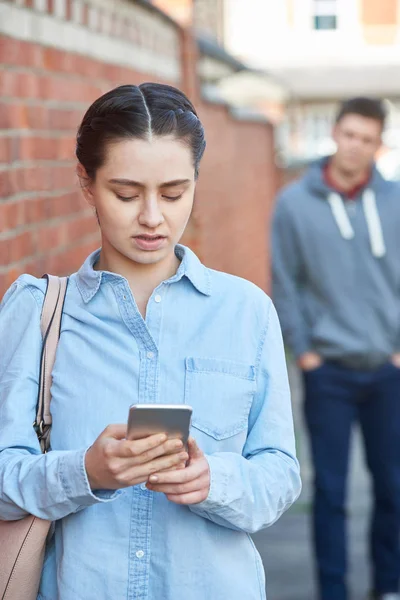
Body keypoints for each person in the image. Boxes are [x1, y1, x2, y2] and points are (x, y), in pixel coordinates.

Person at [0, 83, 301, 600]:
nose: (152, 217)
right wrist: (84, 472)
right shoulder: (37, 313)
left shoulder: (246, 311)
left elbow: (279, 474)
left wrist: (214, 483)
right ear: (87, 184)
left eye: (173, 192)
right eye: (126, 193)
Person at [272, 97, 400, 600]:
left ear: (377, 145)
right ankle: (333, 590)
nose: (355, 146)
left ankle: (389, 585)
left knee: (392, 487)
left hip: (388, 370)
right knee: (331, 491)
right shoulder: (294, 203)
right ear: (335, 134)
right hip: (327, 371)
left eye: (367, 139)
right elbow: (286, 281)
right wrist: (304, 352)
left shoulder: (394, 201)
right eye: (349, 134)